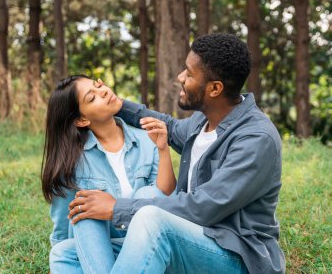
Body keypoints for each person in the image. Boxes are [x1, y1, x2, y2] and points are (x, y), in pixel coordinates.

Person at [68, 33, 286, 273]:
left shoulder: (255, 139)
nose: (180, 77)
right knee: (66, 254)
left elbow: (202, 208)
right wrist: (120, 106)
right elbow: (169, 127)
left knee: (151, 220)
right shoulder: (203, 121)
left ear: (215, 88)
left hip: (237, 255)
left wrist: (116, 208)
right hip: (193, 239)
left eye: (189, 74)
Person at [41, 74, 176, 273]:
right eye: (92, 97)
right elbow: (62, 224)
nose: (103, 91)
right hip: (102, 246)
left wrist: (163, 149)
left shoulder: (147, 138)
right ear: (81, 119)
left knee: (148, 195)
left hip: (148, 241)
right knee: (77, 224)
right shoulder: (71, 161)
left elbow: (164, 195)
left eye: (98, 86)